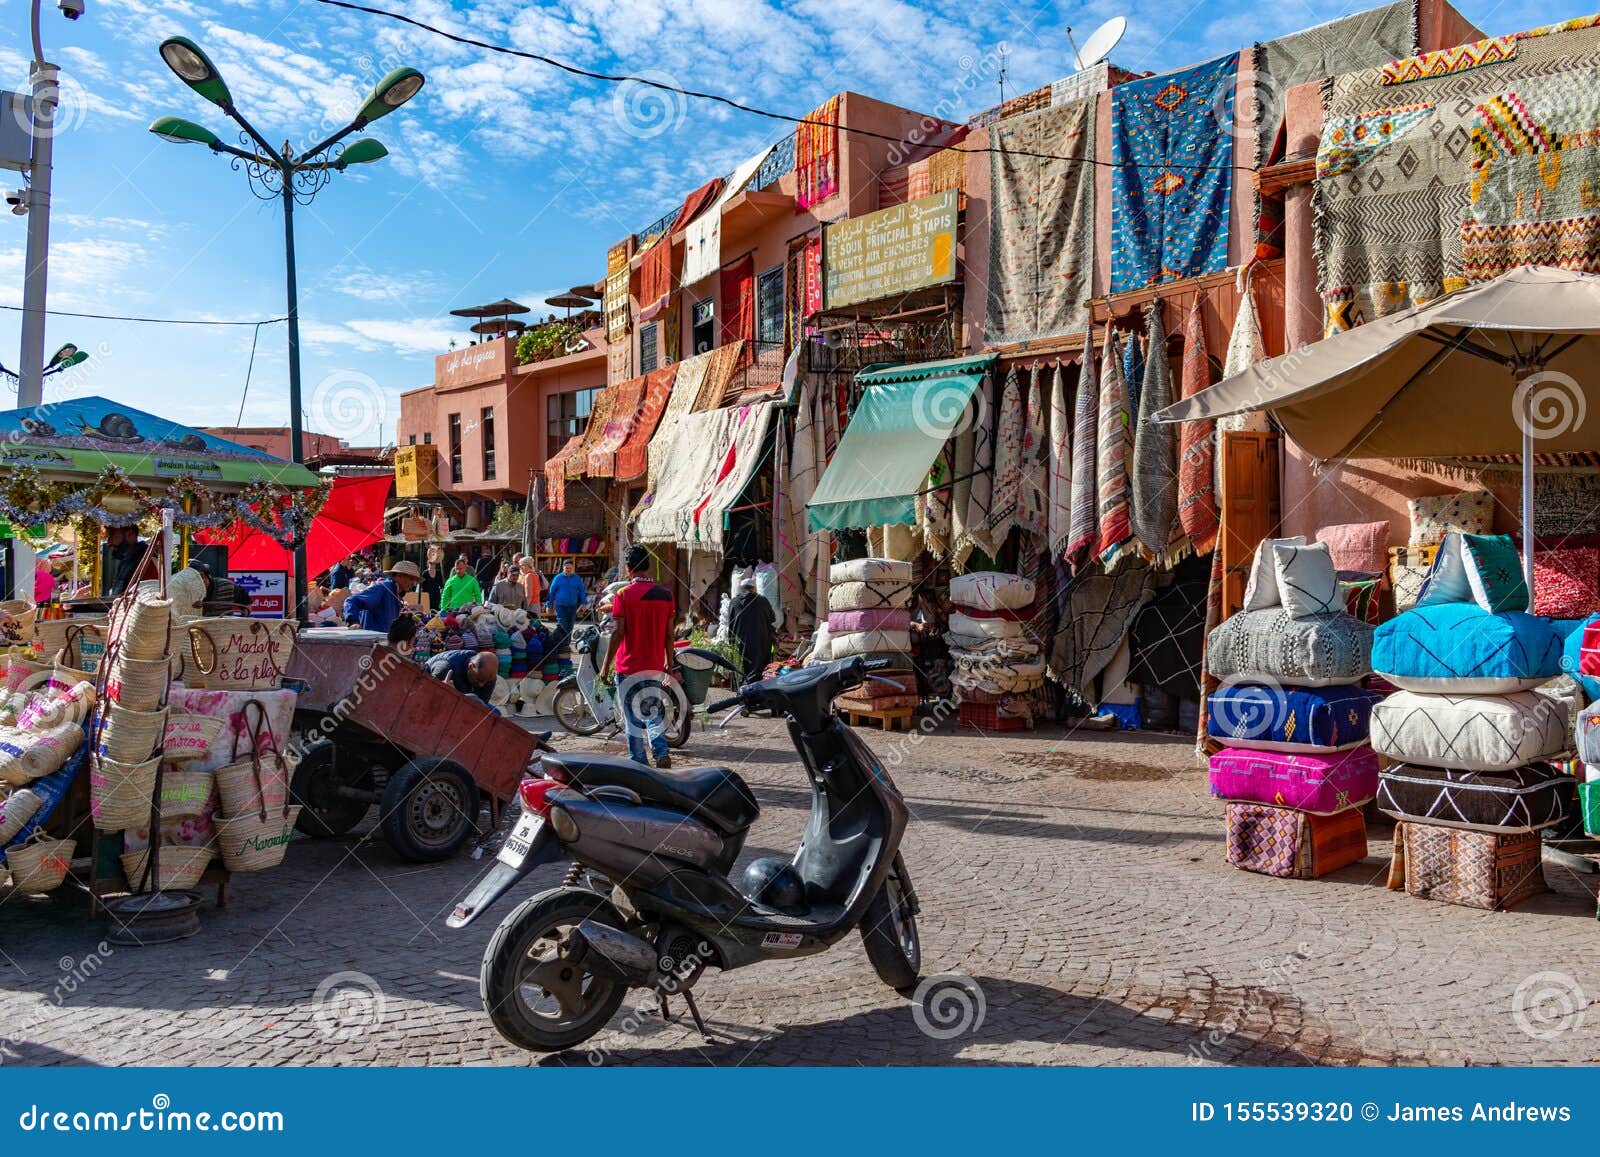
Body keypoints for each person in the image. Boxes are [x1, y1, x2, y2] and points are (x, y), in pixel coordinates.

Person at [601, 545, 677, 768]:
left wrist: (606, 665)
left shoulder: (623, 595)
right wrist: (669, 663)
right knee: (653, 711)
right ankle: (661, 751)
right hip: (654, 665)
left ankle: (639, 763)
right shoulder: (666, 595)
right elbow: (669, 634)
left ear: (628, 568)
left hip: (628, 667)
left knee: (632, 718)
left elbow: (618, 632)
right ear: (648, 566)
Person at [343, 560, 419, 633]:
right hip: (372, 640)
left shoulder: (396, 593)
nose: (413, 583)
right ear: (399, 575)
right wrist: (353, 621)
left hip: (382, 641)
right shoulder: (383, 588)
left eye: (415, 580)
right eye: (411, 578)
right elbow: (351, 601)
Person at [727, 576, 778, 685]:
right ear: (754, 589)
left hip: (741, 642)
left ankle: (745, 685)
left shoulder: (734, 602)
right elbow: (772, 619)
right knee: (759, 667)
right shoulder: (762, 601)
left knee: (744, 666)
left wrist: (730, 642)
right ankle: (756, 685)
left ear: (741, 589)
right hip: (762, 641)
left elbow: (730, 624)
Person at [426, 648, 498, 704]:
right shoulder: (446, 668)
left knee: (496, 713)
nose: (481, 685)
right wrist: (447, 692)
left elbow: (482, 704)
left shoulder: (488, 676)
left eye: (486, 681)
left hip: (461, 697)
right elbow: (428, 697)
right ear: (471, 666)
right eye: (479, 680)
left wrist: (457, 696)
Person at [545, 558, 588, 644]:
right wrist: (548, 605)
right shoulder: (558, 578)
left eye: (570, 568)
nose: (568, 570)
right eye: (566, 568)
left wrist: (584, 603)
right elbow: (552, 592)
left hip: (572, 606)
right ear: (563, 568)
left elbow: (582, 591)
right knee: (562, 625)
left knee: (570, 626)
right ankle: (562, 644)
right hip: (561, 606)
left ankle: (567, 644)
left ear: (573, 569)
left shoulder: (577, 578)